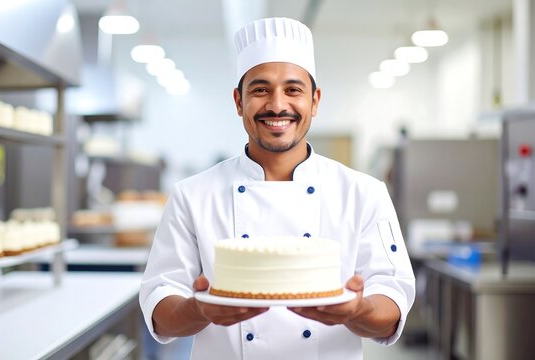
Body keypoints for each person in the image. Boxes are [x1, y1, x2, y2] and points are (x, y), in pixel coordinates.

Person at [139, 17, 415, 359]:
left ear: (314, 100)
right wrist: (199, 310)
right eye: (260, 89)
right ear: (239, 101)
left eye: (293, 89)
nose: (277, 105)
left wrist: (357, 311)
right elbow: (160, 311)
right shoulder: (191, 196)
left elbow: (392, 302)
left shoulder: (364, 193)